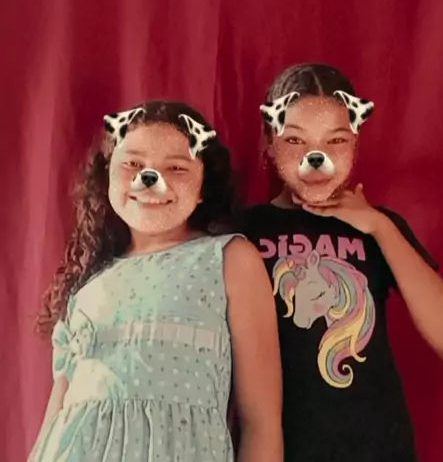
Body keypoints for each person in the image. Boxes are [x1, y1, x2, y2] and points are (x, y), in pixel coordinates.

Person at [240, 63, 443, 462]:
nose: (316, 157)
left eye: (335, 140)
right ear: (270, 142)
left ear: (355, 142)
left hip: (378, 448)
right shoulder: (242, 230)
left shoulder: (380, 228)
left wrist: (379, 227)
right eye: (295, 139)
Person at [29, 100, 283, 462]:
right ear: (108, 174)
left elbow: (262, 423)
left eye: (176, 167)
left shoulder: (227, 259)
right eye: (133, 164)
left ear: (203, 187)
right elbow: (56, 418)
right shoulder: (89, 282)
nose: (150, 179)